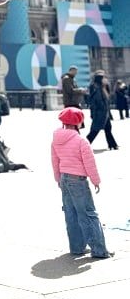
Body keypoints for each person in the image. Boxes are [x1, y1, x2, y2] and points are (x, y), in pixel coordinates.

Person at [51, 107, 111, 260]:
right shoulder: (81, 141)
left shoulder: (56, 139)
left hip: (64, 179)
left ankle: (77, 247)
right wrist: (95, 180)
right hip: (78, 180)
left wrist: (58, 179)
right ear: (79, 123)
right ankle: (99, 250)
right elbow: (90, 163)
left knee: (70, 214)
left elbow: (55, 161)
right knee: (89, 213)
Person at [87, 72, 119, 151]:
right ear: (100, 79)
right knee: (95, 131)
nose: (106, 79)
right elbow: (97, 101)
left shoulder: (103, 87)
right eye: (104, 78)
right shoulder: (96, 88)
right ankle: (84, 144)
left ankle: (113, 144)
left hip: (104, 113)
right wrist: (101, 110)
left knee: (108, 128)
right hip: (100, 113)